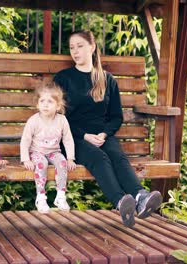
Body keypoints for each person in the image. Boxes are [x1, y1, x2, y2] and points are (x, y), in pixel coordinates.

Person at [54, 30, 162, 227]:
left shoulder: (107, 79)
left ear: (92, 47)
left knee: (117, 156)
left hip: (102, 135)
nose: (75, 52)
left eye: (80, 46)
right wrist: (85, 136)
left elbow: (115, 117)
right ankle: (122, 202)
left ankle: (140, 197)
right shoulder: (63, 78)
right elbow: (59, 117)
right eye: (71, 48)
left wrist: (104, 134)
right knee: (99, 157)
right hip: (73, 137)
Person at [20, 82, 76, 213]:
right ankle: (40, 197)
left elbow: (68, 140)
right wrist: (26, 159)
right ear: (37, 104)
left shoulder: (62, 120)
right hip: (36, 152)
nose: (45, 104)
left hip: (54, 152)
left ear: (58, 106)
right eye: (42, 101)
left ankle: (61, 196)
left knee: (62, 163)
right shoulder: (34, 120)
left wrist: (70, 158)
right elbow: (25, 140)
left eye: (50, 101)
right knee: (41, 164)